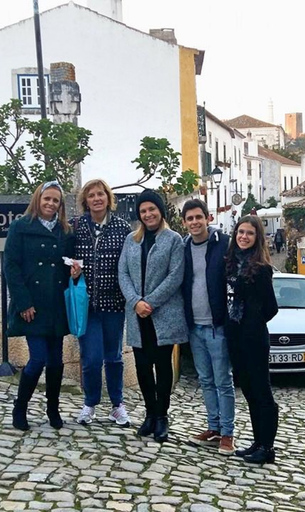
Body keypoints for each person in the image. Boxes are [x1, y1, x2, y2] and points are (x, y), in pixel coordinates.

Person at [4, 181, 78, 431]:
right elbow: (11, 267)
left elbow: (69, 264)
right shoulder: (20, 227)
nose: (50, 203)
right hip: (32, 305)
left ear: (60, 204)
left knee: (56, 362)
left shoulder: (65, 231)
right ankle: (20, 406)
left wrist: (75, 270)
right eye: (47, 199)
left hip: (55, 303)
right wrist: (23, 302)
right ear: (38, 199)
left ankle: (53, 408)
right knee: (38, 359)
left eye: (55, 200)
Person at [118, 189, 186, 443]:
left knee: (162, 366)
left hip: (163, 314)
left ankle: (162, 416)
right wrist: (136, 302)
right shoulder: (131, 240)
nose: (148, 214)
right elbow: (122, 273)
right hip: (137, 315)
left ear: (160, 211)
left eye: (152, 209)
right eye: (143, 211)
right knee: (142, 366)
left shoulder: (173, 240)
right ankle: (148, 413)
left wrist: (151, 302)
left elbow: (175, 276)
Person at [72, 179, 132, 427]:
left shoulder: (122, 228)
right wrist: (72, 271)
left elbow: (129, 264)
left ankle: (117, 405)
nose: (97, 198)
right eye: (91, 195)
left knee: (114, 357)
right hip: (87, 305)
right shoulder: (75, 227)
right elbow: (64, 258)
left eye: (101, 194)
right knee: (92, 358)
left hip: (114, 304)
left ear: (108, 198)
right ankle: (90, 403)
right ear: (85, 201)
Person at [181, 199, 236, 456]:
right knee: (205, 380)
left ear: (208, 218)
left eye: (198, 217)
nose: (194, 222)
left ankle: (227, 433)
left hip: (218, 326)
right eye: (189, 218)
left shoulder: (223, 244)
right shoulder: (183, 248)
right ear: (184, 222)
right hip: (195, 327)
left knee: (223, 381)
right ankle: (213, 427)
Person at [225, 215, 279, 464]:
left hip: (254, 339)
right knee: (248, 390)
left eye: (249, 233)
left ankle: (267, 448)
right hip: (235, 337)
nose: (243, 236)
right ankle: (257, 442)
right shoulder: (232, 264)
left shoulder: (261, 268)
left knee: (262, 392)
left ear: (257, 238)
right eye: (240, 232)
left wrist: (252, 322)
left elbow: (271, 307)